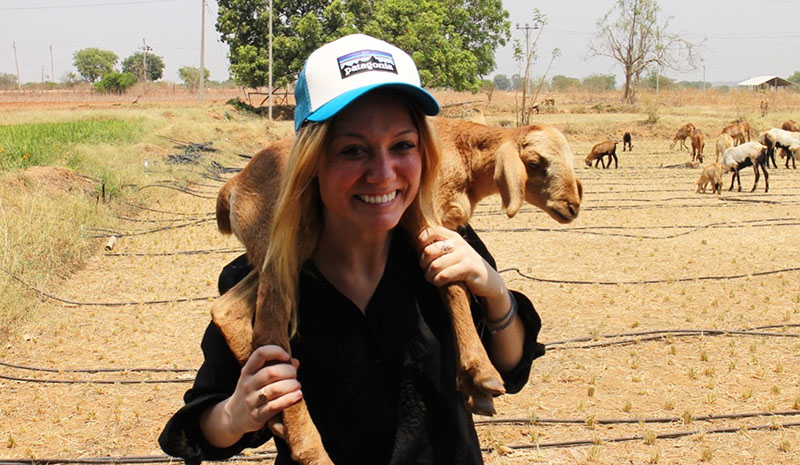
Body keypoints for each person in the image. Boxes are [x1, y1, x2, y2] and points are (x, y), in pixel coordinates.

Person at [159, 34, 544, 465]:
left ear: (424, 153)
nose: (382, 174)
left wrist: (494, 291)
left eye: (402, 145)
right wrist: (235, 414)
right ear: (311, 162)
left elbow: (510, 368)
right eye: (352, 150)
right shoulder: (262, 279)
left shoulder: (449, 248)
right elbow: (200, 428)